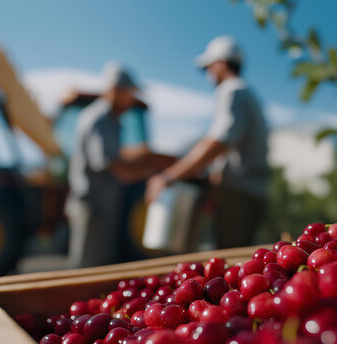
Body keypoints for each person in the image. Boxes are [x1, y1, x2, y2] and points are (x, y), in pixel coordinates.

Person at [145, 36, 269, 249]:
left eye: (209, 67)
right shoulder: (248, 94)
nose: (208, 74)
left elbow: (219, 140)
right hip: (251, 192)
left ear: (221, 63)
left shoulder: (232, 90)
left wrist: (168, 176)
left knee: (231, 263)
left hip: (238, 194)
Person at [66, 63, 172, 268]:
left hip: (101, 206)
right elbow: (112, 166)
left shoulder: (112, 121)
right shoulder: (99, 119)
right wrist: (156, 175)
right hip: (91, 205)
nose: (132, 99)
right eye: (130, 93)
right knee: (84, 267)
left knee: (99, 264)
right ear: (115, 90)